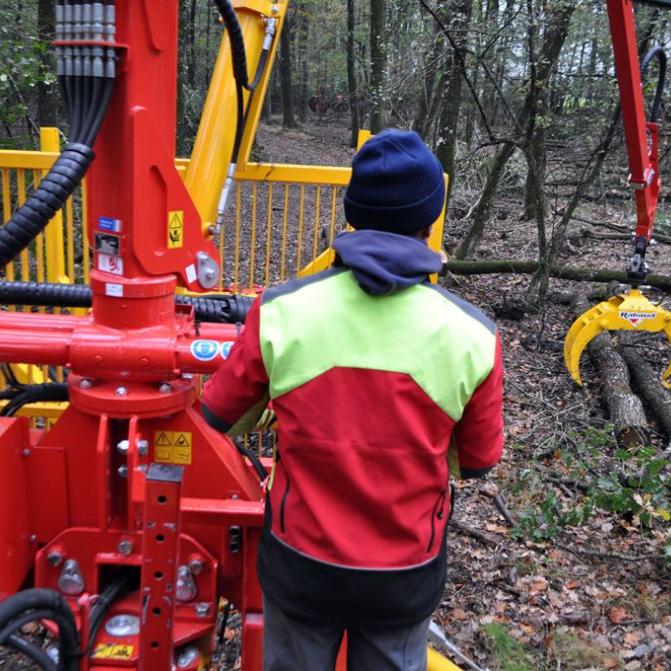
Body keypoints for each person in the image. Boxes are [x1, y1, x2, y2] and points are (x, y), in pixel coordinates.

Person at [201, 129, 504, 671]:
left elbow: (220, 415)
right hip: (404, 577)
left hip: (300, 568)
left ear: (352, 212)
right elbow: (476, 462)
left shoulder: (280, 312)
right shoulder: (473, 335)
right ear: (430, 216)